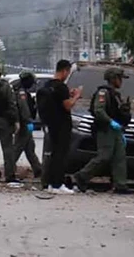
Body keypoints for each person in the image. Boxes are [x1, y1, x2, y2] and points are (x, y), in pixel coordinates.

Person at [74, 67, 134, 194]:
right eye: (119, 79)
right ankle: (81, 176)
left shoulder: (115, 94)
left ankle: (120, 185)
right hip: (106, 129)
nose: (121, 82)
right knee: (104, 156)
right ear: (113, 79)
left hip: (116, 129)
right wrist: (110, 122)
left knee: (119, 157)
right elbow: (98, 110)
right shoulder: (103, 92)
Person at [39, 59, 82, 195]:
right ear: (64, 71)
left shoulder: (48, 85)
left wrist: (68, 95)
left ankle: (51, 184)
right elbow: (67, 105)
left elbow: (57, 101)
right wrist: (76, 96)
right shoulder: (61, 87)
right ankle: (58, 184)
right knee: (61, 155)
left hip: (52, 125)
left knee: (53, 154)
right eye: (68, 72)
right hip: (62, 126)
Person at [13, 71, 43, 178]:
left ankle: (38, 169)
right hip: (24, 124)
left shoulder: (23, 91)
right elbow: (24, 109)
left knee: (30, 147)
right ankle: (10, 169)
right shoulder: (21, 92)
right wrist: (29, 120)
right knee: (18, 147)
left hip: (27, 124)